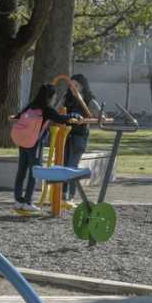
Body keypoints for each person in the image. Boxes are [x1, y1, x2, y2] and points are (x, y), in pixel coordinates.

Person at [12, 84, 82, 213]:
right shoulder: (47, 109)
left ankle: (18, 200)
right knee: (35, 172)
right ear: (50, 96)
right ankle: (28, 202)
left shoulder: (30, 106)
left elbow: (18, 117)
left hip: (23, 142)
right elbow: (61, 119)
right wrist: (73, 115)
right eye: (54, 95)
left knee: (21, 171)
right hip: (34, 144)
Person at [62, 74, 98, 205]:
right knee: (63, 166)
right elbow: (58, 113)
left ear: (82, 86)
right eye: (71, 85)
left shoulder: (88, 99)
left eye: (75, 85)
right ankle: (62, 195)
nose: (73, 88)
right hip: (65, 136)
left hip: (79, 136)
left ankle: (70, 196)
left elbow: (101, 116)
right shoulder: (67, 99)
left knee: (72, 166)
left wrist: (84, 120)